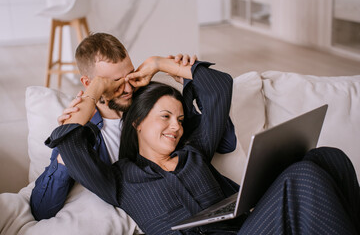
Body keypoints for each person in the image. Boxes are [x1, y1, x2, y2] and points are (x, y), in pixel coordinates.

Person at [45, 56, 360, 234]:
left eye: (181, 119)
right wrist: (96, 88)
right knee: (303, 176)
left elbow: (220, 88)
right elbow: (70, 142)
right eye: (166, 116)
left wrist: (160, 64)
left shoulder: (194, 152)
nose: (176, 127)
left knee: (328, 157)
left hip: (252, 226)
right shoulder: (118, 179)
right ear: (137, 122)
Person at [30, 33, 237, 220]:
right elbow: (42, 209)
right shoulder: (82, 133)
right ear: (89, 82)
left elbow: (225, 141)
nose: (128, 88)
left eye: (129, 75)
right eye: (115, 82)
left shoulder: (151, 105)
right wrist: (73, 127)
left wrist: (160, 64)